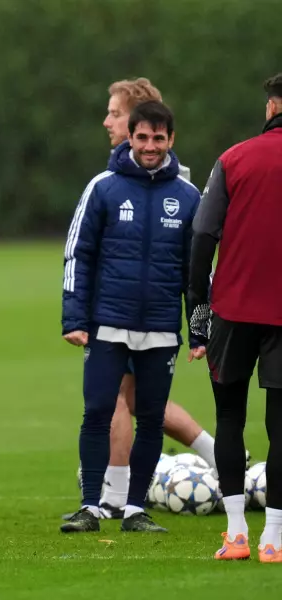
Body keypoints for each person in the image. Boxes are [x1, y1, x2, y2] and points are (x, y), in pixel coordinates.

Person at [62, 78, 217, 522]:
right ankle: (92, 505)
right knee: (99, 410)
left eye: (158, 138)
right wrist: (74, 318)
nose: (150, 146)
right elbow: (78, 254)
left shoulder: (187, 197)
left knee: (148, 416)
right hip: (109, 321)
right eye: (143, 137)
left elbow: (197, 272)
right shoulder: (103, 187)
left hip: (160, 328)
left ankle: (132, 508)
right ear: (132, 136)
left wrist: (200, 331)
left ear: (171, 140)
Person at [189, 73, 282, 562]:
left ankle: (236, 534)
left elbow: (203, 235)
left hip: (233, 310)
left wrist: (196, 310)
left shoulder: (234, 158)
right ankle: (275, 540)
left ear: (271, 108)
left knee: (229, 417)